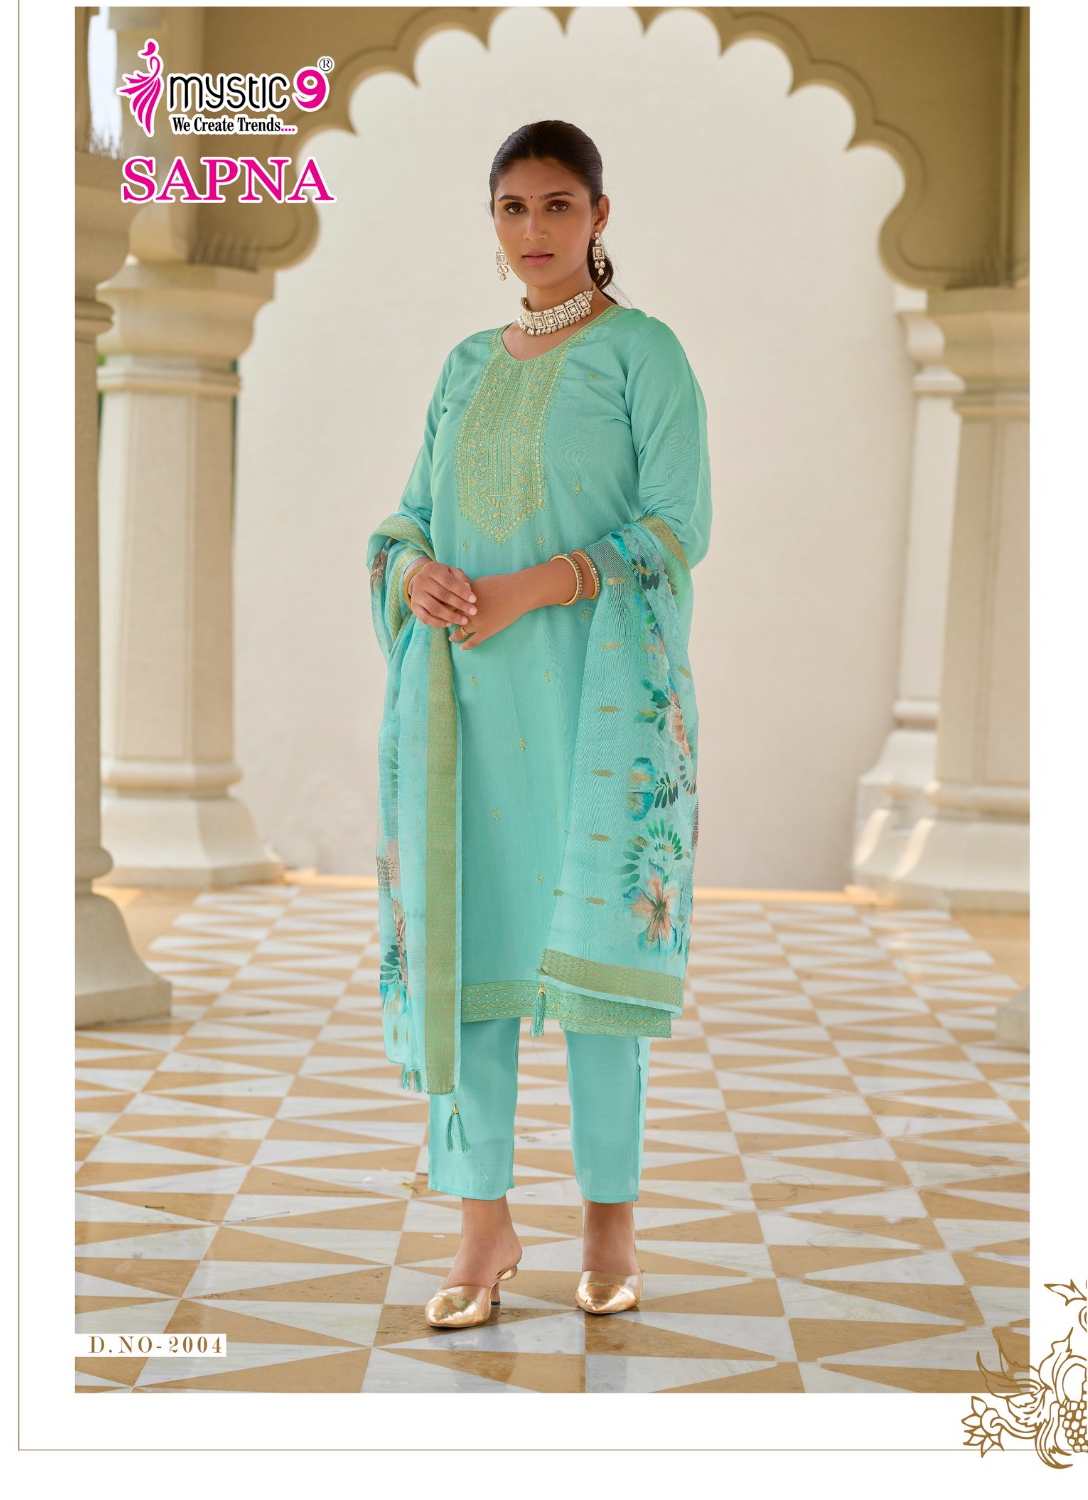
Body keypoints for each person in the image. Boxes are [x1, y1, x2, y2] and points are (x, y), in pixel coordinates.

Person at [368, 120, 712, 1329]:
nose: (533, 230)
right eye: (511, 207)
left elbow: (676, 526)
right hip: (464, 710)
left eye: (557, 205)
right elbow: (412, 514)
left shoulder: (640, 353)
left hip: (593, 707)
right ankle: (482, 1224)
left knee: (590, 970)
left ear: (597, 216)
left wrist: (534, 585)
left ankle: (609, 1221)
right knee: (472, 963)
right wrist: (413, 571)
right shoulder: (465, 364)